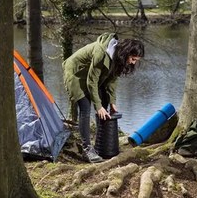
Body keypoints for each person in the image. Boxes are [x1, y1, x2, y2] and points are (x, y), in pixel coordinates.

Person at [62, 32, 145, 163]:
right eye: (133, 59)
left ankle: (103, 146)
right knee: (85, 108)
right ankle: (87, 149)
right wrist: (98, 106)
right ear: (126, 52)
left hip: (91, 77)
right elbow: (91, 82)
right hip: (76, 73)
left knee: (105, 102)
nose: (133, 63)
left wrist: (112, 102)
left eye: (135, 60)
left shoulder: (118, 57)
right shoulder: (101, 53)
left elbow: (112, 81)